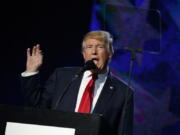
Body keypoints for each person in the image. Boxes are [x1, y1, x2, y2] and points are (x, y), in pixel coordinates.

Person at [21, 30, 133, 135]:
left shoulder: (123, 93)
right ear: (84, 54)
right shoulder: (62, 76)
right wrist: (31, 71)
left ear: (110, 53)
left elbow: (123, 132)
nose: (94, 51)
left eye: (100, 47)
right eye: (89, 47)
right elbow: (38, 105)